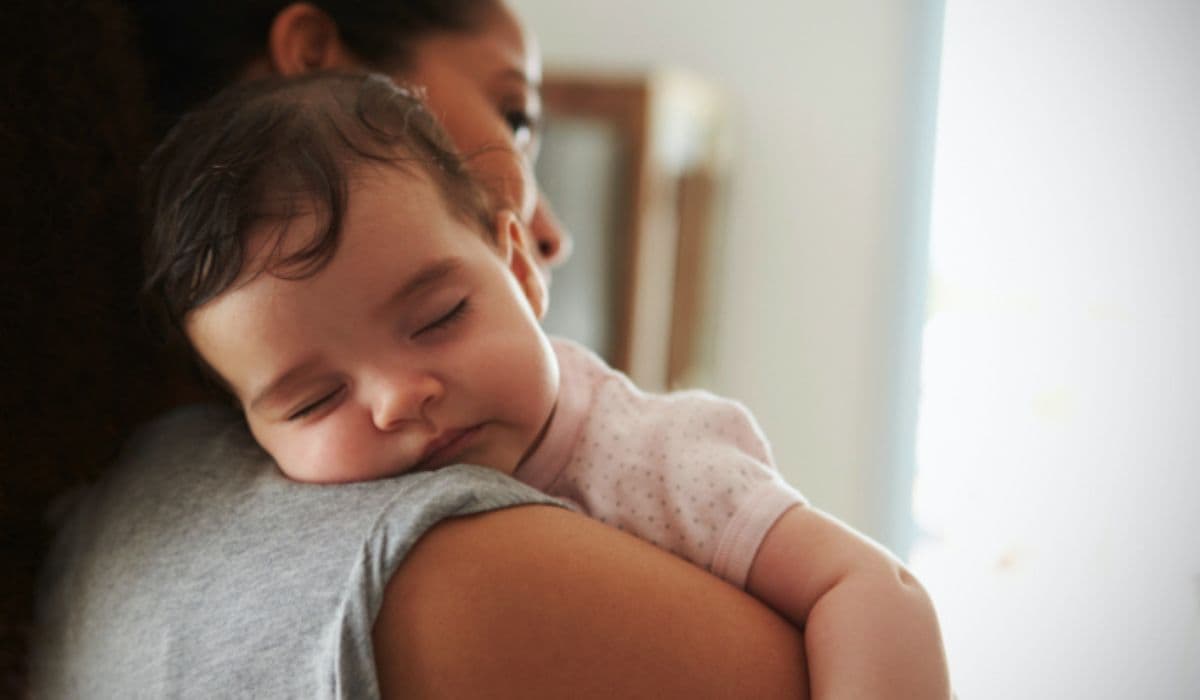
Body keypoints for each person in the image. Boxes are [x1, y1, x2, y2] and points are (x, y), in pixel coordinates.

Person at [24, 0, 815, 696]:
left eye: (437, 316)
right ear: (313, 59)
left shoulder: (101, 520)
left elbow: (866, 596)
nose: (550, 233)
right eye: (514, 117)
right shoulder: (437, 579)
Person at [140, 71, 951, 699]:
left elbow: (874, 588)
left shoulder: (654, 457)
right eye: (314, 400)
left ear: (521, 266)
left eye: (438, 317)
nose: (397, 398)